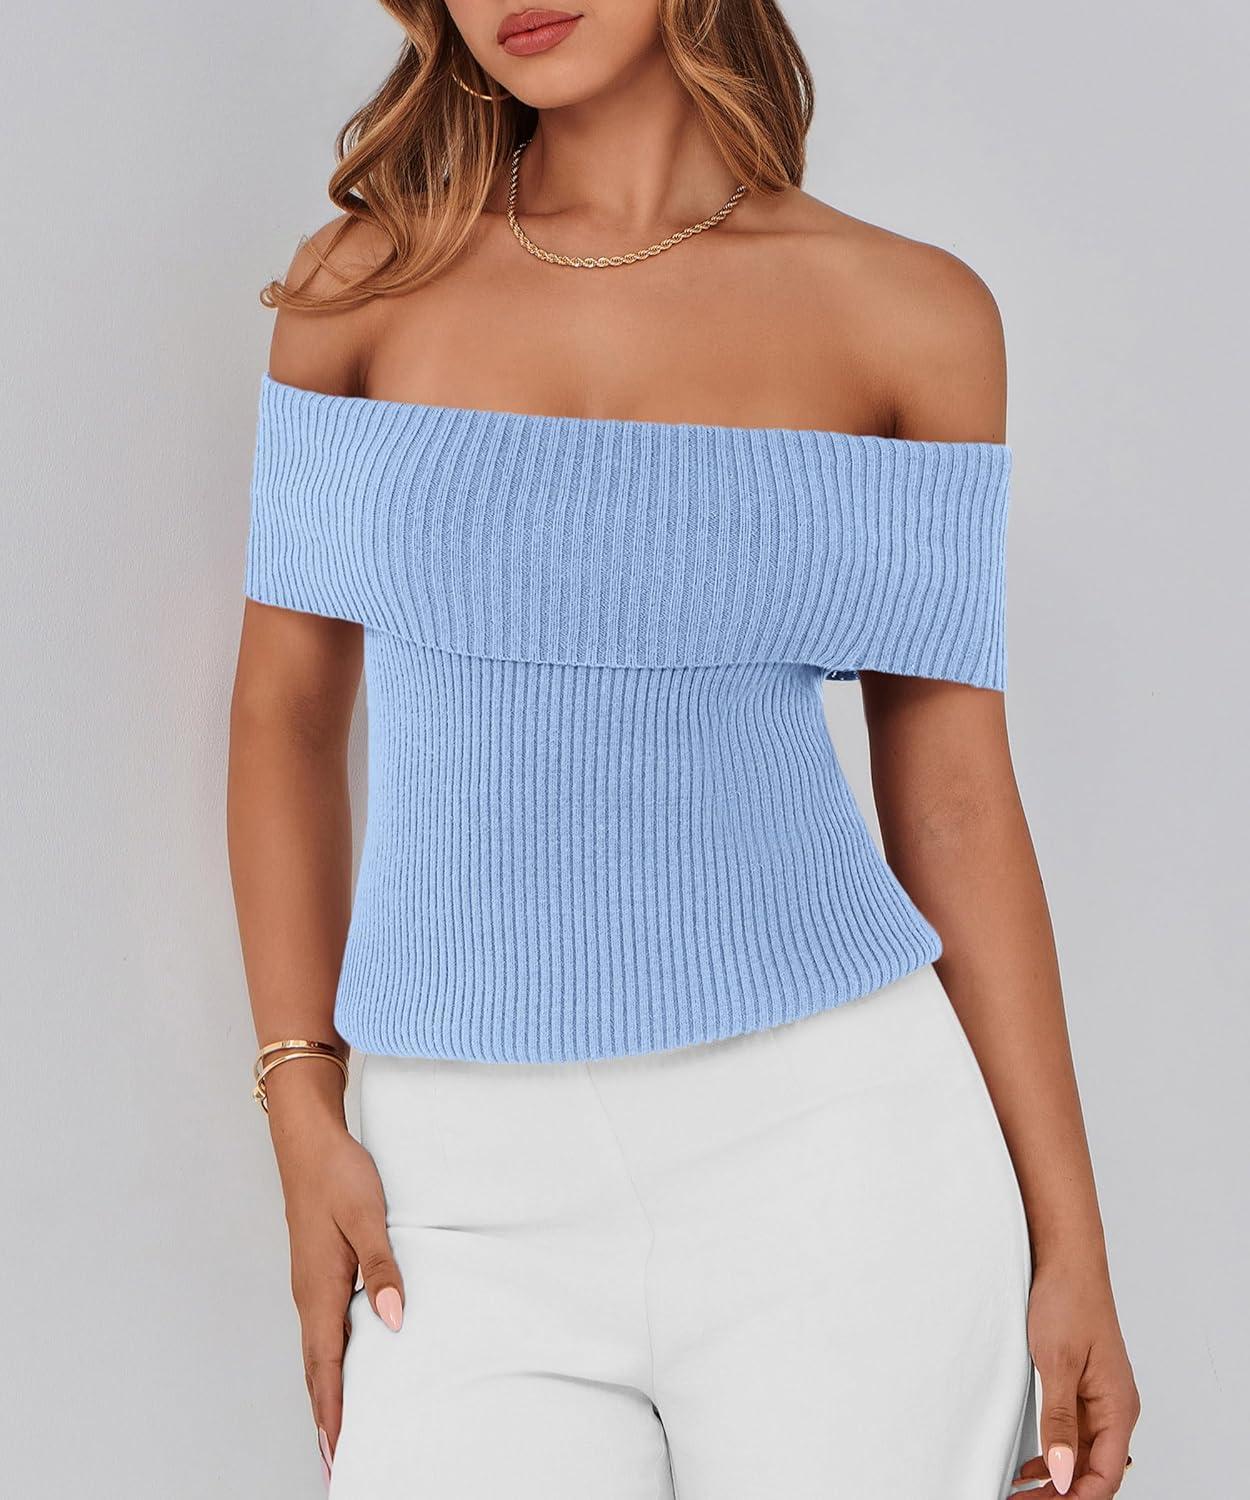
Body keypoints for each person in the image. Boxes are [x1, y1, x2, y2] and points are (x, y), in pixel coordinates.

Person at [226, 3, 1139, 1496]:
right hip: (452, 1182)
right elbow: (284, 712)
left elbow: (955, 795)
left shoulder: (907, 316)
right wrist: (298, 1100)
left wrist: (1071, 1244)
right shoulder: (364, 287)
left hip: (838, 1150)